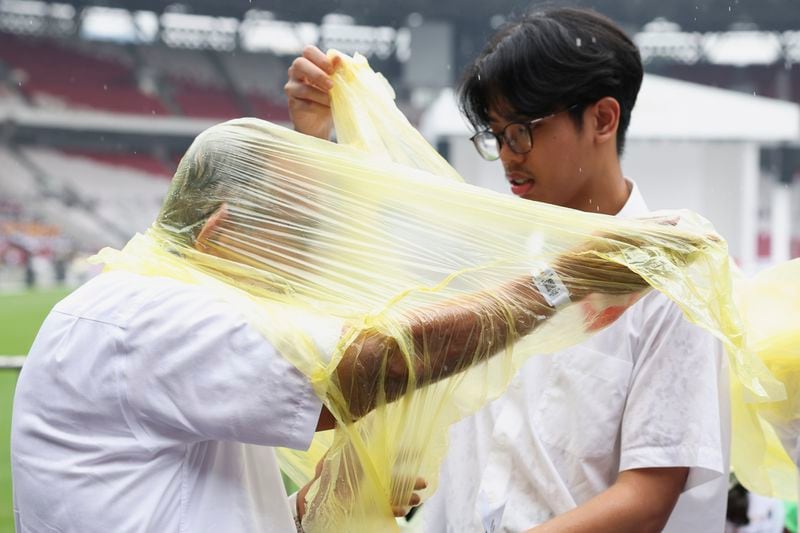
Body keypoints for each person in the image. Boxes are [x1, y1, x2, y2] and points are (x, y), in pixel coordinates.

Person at [10, 114, 664, 532]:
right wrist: (561, 281)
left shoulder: (160, 314)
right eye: (293, 250)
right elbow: (363, 366)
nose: (301, 280)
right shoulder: (144, 314)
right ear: (220, 234)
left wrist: (325, 503)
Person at [285, 6, 730, 532]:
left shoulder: (667, 279)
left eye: (520, 131)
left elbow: (646, 497)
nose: (505, 156)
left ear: (603, 119)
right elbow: (345, 278)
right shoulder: (496, 257)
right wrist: (315, 141)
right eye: (494, 135)